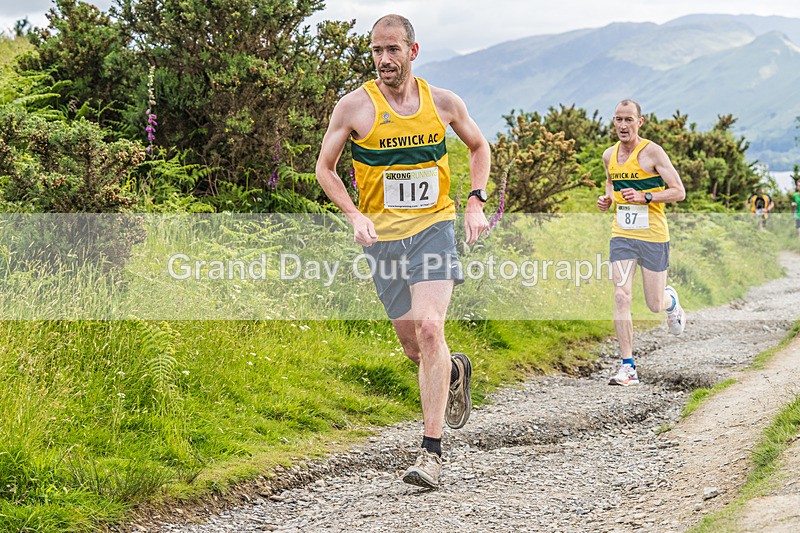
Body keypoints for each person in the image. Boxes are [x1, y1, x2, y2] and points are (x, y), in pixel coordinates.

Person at [315, 14, 490, 488]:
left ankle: (431, 453)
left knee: (431, 328)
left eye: (393, 49)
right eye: (377, 50)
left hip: (434, 228)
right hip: (384, 240)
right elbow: (325, 168)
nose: (384, 59)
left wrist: (475, 201)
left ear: (413, 51)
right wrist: (355, 214)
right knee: (415, 347)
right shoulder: (354, 107)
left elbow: (479, 146)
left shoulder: (443, 102)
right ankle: (452, 371)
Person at [597, 99, 687, 386]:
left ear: (640, 121)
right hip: (622, 234)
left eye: (629, 119)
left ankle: (671, 302)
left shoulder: (652, 152)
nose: (623, 125)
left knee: (654, 304)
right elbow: (611, 182)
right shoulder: (609, 155)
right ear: (614, 121)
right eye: (618, 119)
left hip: (653, 235)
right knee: (621, 295)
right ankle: (628, 367)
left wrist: (646, 197)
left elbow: (679, 191)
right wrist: (608, 198)